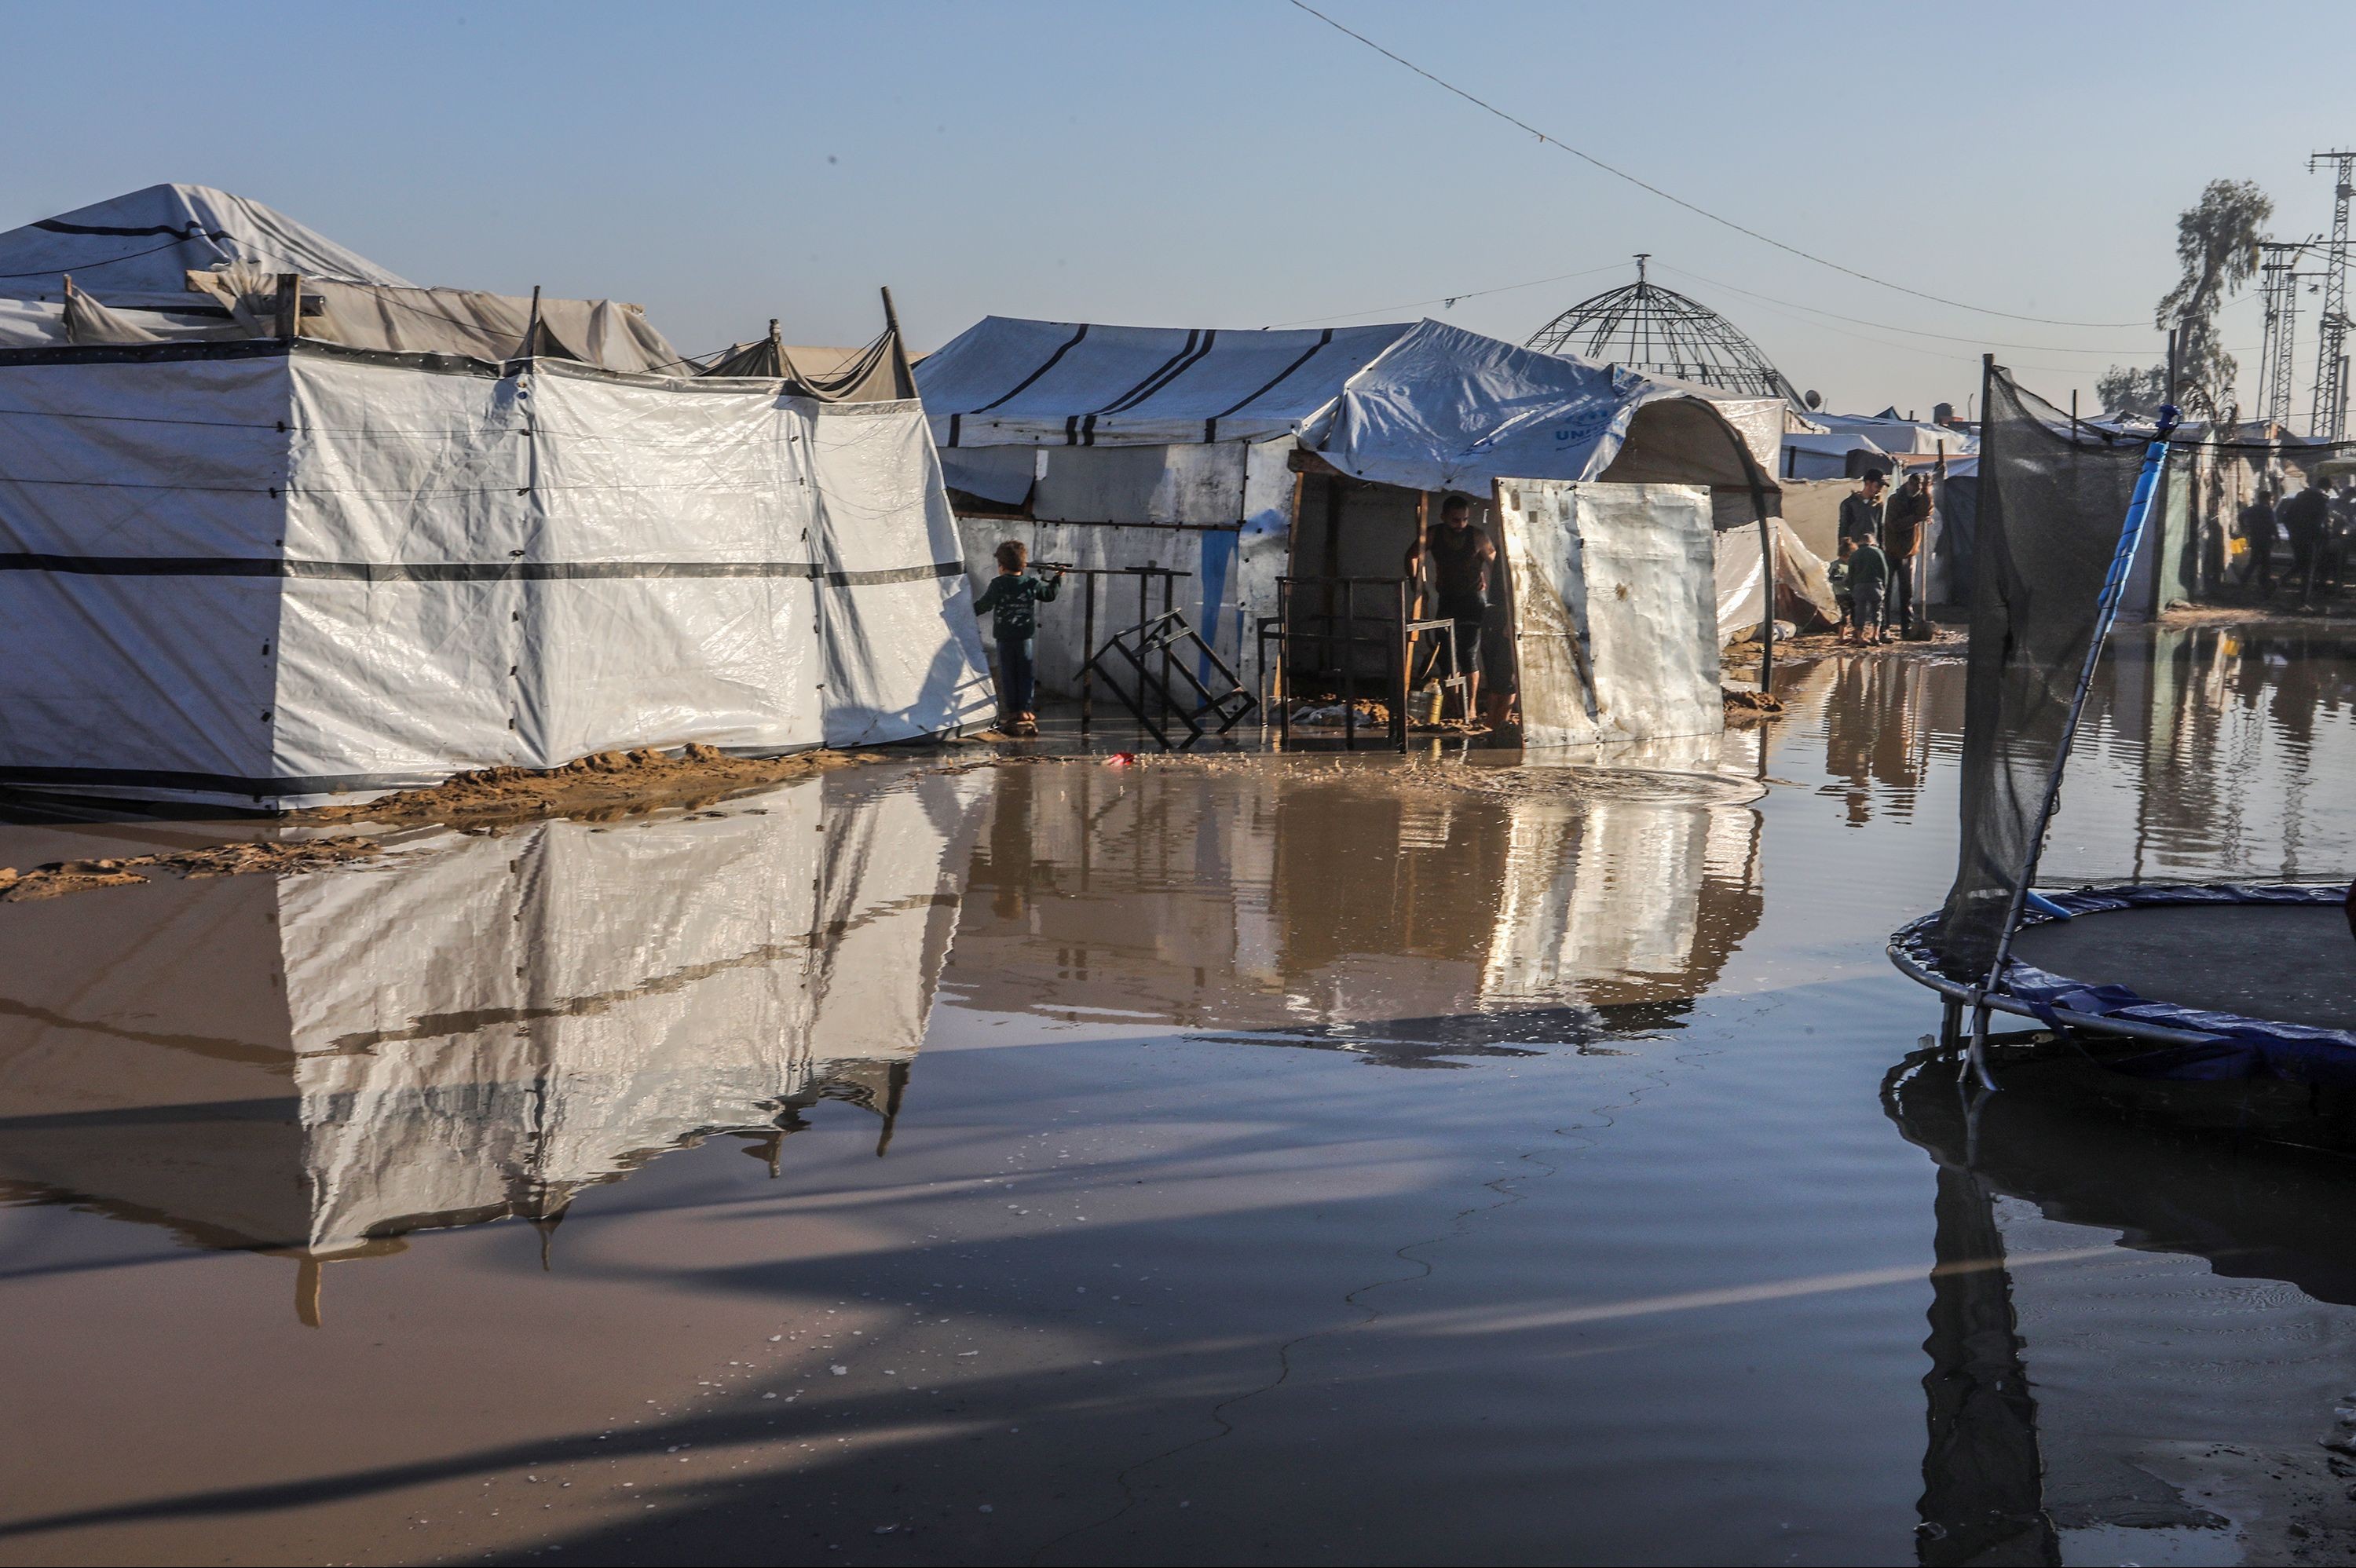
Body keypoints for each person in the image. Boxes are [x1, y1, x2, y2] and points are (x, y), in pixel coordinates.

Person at [1405, 494, 1497, 718]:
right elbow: (1412, 556)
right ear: (1444, 516)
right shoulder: (1434, 534)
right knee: (1446, 655)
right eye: (1456, 520)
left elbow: (1497, 565)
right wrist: (1419, 585)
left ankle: (1471, 706)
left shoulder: (1477, 536)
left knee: (1468, 655)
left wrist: (1499, 596)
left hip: (1473, 601)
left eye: (1464, 519)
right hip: (1447, 599)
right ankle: (1454, 705)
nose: (1461, 525)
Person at [971, 540, 1062, 736]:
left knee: (1009, 675)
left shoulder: (998, 584)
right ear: (1024, 564)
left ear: (1001, 566)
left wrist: (966, 613)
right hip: (1024, 638)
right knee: (1025, 674)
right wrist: (1057, 577)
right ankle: (1026, 710)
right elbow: (1049, 595)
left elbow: (984, 605)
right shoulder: (1030, 583)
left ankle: (1014, 711)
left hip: (1004, 638)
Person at [1882, 471, 1931, 637]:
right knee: (1886, 591)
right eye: (1914, 485)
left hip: (1909, 552)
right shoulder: (1895, 500)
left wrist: (1926, 492)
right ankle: (1884, 627)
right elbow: (1894, 524)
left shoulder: (1919, 499)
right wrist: (1915, 519)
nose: (1915, 488)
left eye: (1918, 486)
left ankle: (1906, 628)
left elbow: (1926, 511)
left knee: (1907, 592)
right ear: (1908, 484)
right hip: (1891, 550)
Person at [2280, 479, 2331, 601]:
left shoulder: (2300, 497)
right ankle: (2304, 599)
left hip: (2296, 537)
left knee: (2300, 563)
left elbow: (2286, 517)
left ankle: (2281, 582)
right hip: (2310, 538)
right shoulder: (2321, 500)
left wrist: (2293, 531)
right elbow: (2320, 522)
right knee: (2308, 568)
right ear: (2326, 488)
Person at [1846, 532, 1891, 645]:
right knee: (1876, 611)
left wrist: (1852, 588)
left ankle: (1860, 638)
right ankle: (1875, 636)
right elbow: (1884, 571)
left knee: (1860, 612)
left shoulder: (1854, 554)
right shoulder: (1878, 552)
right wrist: (1884, 586)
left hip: (1859, 586)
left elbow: (1850, 573)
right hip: (1876, 585)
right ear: (1872, 541)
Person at [2238, 484, 2279, 593]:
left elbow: (2241, 516)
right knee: (2266, 561)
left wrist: (2244, 528)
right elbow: (2273, 525)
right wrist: (2277, 537)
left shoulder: (2253, 509)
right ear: (2266, 499)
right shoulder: (2268, 511)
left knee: (2254, 560)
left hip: (2255, 537)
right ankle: (2263, 581)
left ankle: (2244, 579)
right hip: (2266, 538)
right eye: (2269, 499)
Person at [1838, 470, 1887, 552]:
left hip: (1873, 550)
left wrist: (1882, 549)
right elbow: (1843, 528)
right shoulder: (1849, 504)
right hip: (1854, 550)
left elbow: (1880, 528)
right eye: (1877, 486)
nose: (1879, 490)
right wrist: (1843, 549)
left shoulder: (1878, 505)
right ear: (1868, 483)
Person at [1829, 537, 1857, 644]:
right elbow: (1834, 579)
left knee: (1854, 614)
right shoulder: (1838, 566)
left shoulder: (1847, 565)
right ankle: (1841, 637)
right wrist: (1847, 580)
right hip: (1842, 593)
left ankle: (1852, 634)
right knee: (1845, 615)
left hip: (1849, 593)